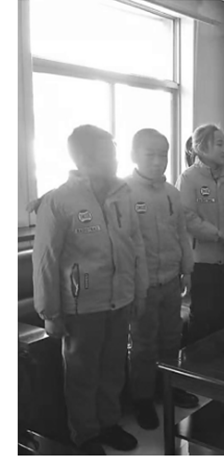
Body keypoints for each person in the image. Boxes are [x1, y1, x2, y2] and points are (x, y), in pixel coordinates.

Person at [32, 125, 148, 454]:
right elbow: (45, 260)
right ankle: (85, 435)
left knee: (113, 369)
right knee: (82, 374)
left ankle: (109, 424)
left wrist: (138, 292)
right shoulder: (58, 201)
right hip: (81, 307)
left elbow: (135, 246)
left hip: (120, 299)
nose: (115, 160)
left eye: (114, 152)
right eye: (107, 154)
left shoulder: (123, 194)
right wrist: (50, 312)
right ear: (84, 159)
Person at [125, 129, 199, 431]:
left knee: (172, 338)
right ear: (134, 155)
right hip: (140, 286)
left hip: (171, 280)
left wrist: (187, 269)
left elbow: (181, 233)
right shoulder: (124, 192)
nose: (158, 161)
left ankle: (169, 387)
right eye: (150, 155)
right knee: (143, 345)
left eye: (163, 155)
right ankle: (142, 399)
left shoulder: (172, 193)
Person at [176, 124, 224, 342]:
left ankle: (223, 360)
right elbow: (188, 217)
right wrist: (219, 236)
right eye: (219, 144)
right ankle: (197, 361)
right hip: (200, 261)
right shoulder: (188, 178)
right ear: (201, 147)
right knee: (202, 315)